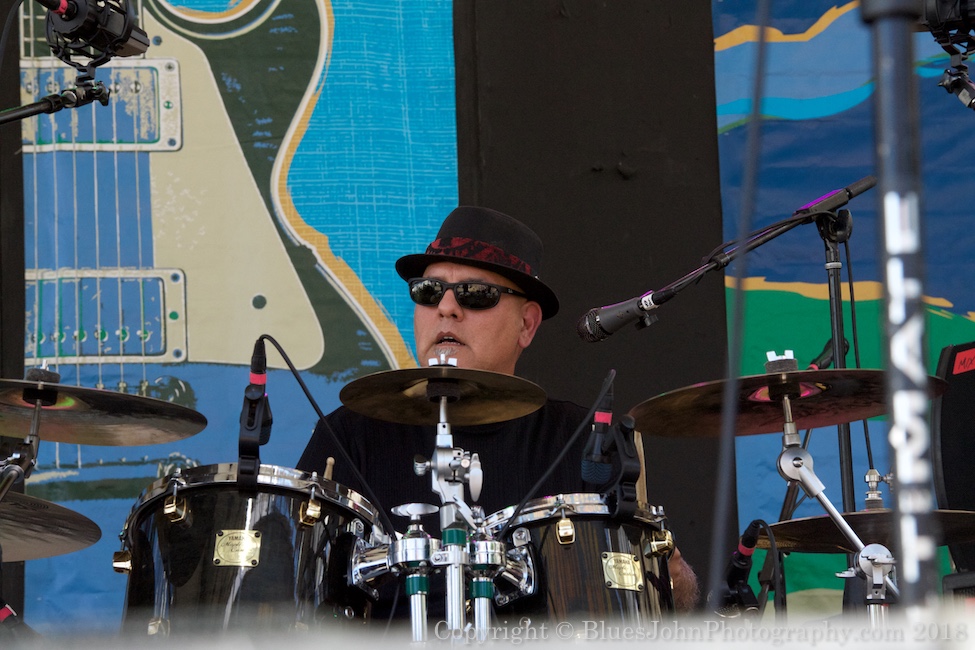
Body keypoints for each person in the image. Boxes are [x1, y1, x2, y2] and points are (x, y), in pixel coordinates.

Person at [297, 206, 699, 618]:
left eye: (475, 294)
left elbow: (656, 605)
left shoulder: (585, 439)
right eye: (429, 292)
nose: (447, 308)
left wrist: (673, 577)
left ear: (527, 324)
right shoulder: (349, 435)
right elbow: (292, 589)